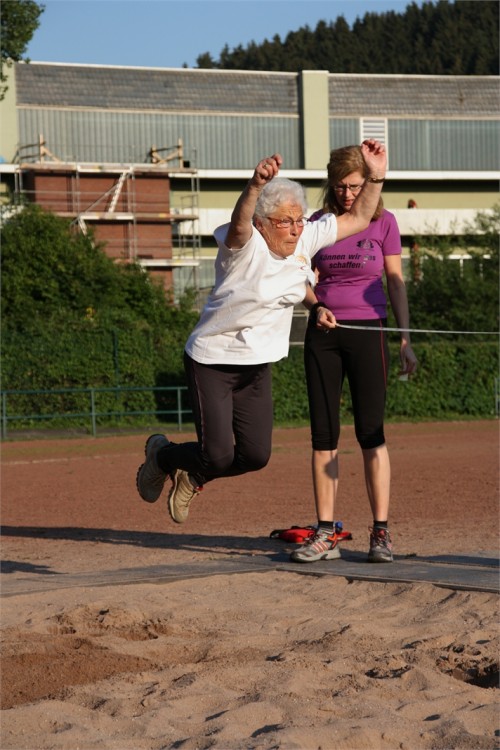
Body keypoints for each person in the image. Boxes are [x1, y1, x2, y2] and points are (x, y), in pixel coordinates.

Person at [136, 142, 387, 525]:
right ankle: (163, 456)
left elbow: (360, 217)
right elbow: (239, 224)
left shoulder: (306, 237)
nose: (295, 228)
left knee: (255, 456)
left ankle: (194, 474)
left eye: (299, 219)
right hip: (212, 361)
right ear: (264, 223)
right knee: (217, 454)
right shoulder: (244, 244)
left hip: (256, 368)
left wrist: (376, 175)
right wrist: (253, 187)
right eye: (285, 221)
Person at [291, 144, 417, 565]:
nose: (347, 195)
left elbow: (395, 283)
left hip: (369, 329)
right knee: (323, 437)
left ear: (367, 185)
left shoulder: (386, 223)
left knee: (371, 433)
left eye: (355, 187)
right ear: (331, 185)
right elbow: (298, 278)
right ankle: (325, 533)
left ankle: (380, 533)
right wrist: (315, 306)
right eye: (341, 187)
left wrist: (405, 338)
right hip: (323, 331)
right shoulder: (318, 224)